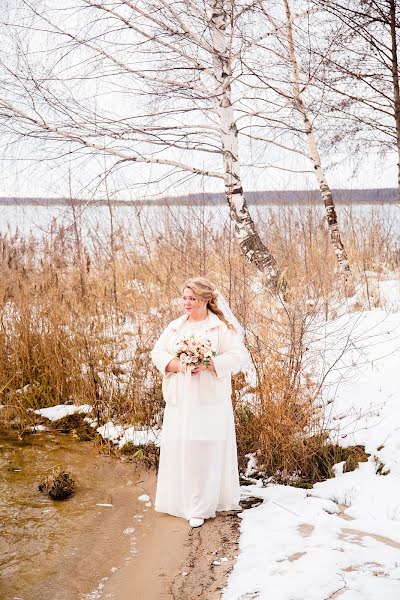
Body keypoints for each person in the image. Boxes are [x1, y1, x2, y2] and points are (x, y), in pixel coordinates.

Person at [150, 276, 242, 528]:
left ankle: (201, 505)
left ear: (204, 300)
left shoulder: (220, 328)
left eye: (191, 298)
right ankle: (181, 501)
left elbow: (237, 356)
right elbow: (157, 353)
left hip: (210, 397)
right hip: (181, 395)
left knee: (206, 446)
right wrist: (179, 364)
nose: (186, 303)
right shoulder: (175, 327)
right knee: (183, 444)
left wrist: (208, 363)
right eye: (184, 298)